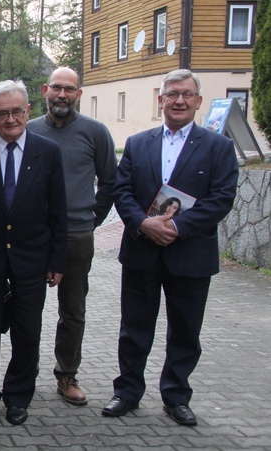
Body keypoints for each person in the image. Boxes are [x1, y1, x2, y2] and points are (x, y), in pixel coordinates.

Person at [102, 69, 238, 426]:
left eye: (187, 95)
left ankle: (176, 396)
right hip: (142, 250)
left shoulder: (219, 147)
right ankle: (127, 392)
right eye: (172, 94)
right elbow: (123, 191)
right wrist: (142, 223)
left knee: (186, 331)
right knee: (133, 329)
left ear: (198, 101)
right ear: (160, 100)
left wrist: (177, 227)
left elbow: (222, 199)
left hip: (190, 254)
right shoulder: (137, 143)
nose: (179, 101)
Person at [0, 79, 67, 426]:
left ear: (28, 111)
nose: (10, 119)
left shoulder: (47, 153)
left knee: (26, 332)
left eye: (16, 111)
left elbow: (58, 212)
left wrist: (57, 260)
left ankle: (18, 397)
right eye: (1, 113)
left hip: (32, 258)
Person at [27, 67, 117, 405]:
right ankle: (24, 374)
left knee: (73, 310)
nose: (62, 94)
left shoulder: (95, 132)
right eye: (56, 88)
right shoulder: (30, 130)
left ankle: (67, 375)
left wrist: (93, 219)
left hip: (78, 234)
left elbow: (110, 182)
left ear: (79, 94)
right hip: (35, 235)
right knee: (26, 307)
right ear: (44, 89)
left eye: (69, 89)